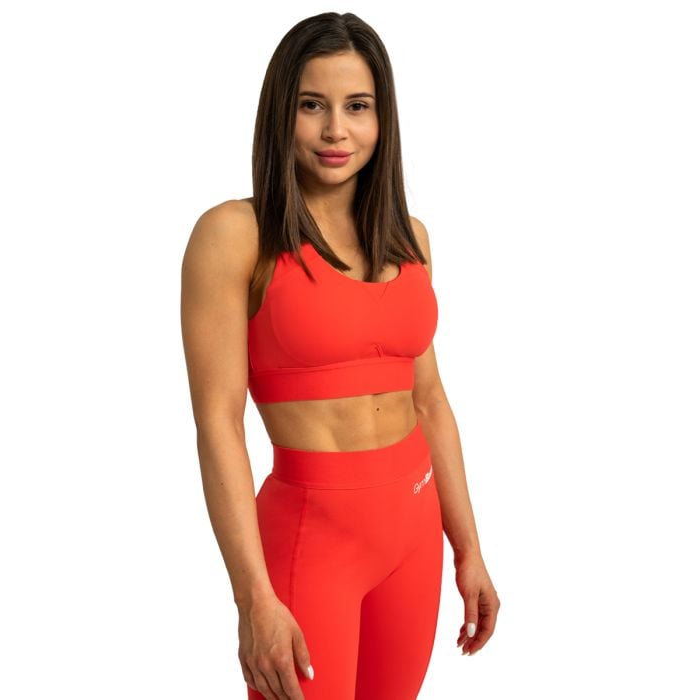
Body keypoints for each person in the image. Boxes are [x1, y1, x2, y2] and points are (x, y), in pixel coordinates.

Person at [180, 11, 500, 700]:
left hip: (414, 532)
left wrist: (469, 547)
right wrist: (252, 598)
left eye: (357, 106)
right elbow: (218, 423)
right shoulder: (235, 234)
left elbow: (429, 399)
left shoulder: (408, 237)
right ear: (280, 113)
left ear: (383, 118)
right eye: (311, 105)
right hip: (312, 540)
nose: (335, 130)